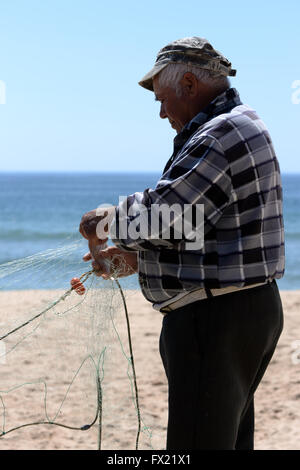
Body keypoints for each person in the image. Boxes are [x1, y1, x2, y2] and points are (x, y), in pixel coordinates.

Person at [73, 37, 285, 450]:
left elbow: (169, 215)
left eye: (163, 98)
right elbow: (201, 226)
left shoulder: (222, 132)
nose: (161, 112)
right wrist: (138, 259)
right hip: (238, 312)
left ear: (189, 84)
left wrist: (103, 220)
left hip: (216, 322)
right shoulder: (236, 124)